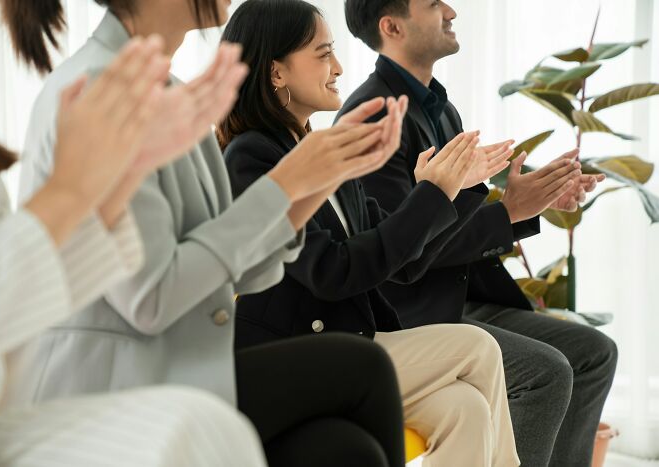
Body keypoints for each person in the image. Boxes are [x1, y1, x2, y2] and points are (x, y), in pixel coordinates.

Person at [0, 1, 409, 466]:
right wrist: (287, 183)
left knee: (346, 450)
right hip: (116, 390)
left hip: (178, 370)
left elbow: (235, 270)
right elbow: (153, 299)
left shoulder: (169, 92)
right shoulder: (102, 90)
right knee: (365, 368)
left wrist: (317, 181)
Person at [221, 1, 520, 465]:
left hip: (354, 340)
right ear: (276, 72)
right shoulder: (253, 157)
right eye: (323, 55)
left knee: (467, 411)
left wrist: (448, 189)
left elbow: (406, 262)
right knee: (478, 345)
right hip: (302, 358)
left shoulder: (317, 146)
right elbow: (333, 272)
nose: (338, 67)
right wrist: (431, 194)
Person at [0, 38, 267, 467]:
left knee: (220, 432)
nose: (338, 70)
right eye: (323, 54)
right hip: (17, 412)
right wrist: (70, 192)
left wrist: (126, 170)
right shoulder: (88, 80)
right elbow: (153, 299)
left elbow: (6, 299)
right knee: (203, 434)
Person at [339, 1, 618, 465]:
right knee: (546, 373)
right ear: (392, 26)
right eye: (432, 3)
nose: (450, 10)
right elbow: (403, 253)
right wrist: (508, 212)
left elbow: (455, 217)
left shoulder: (438, 107)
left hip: (460, 296)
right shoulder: (373, 117)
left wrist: (532, 204)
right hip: (411, 313)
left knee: (594, 352)